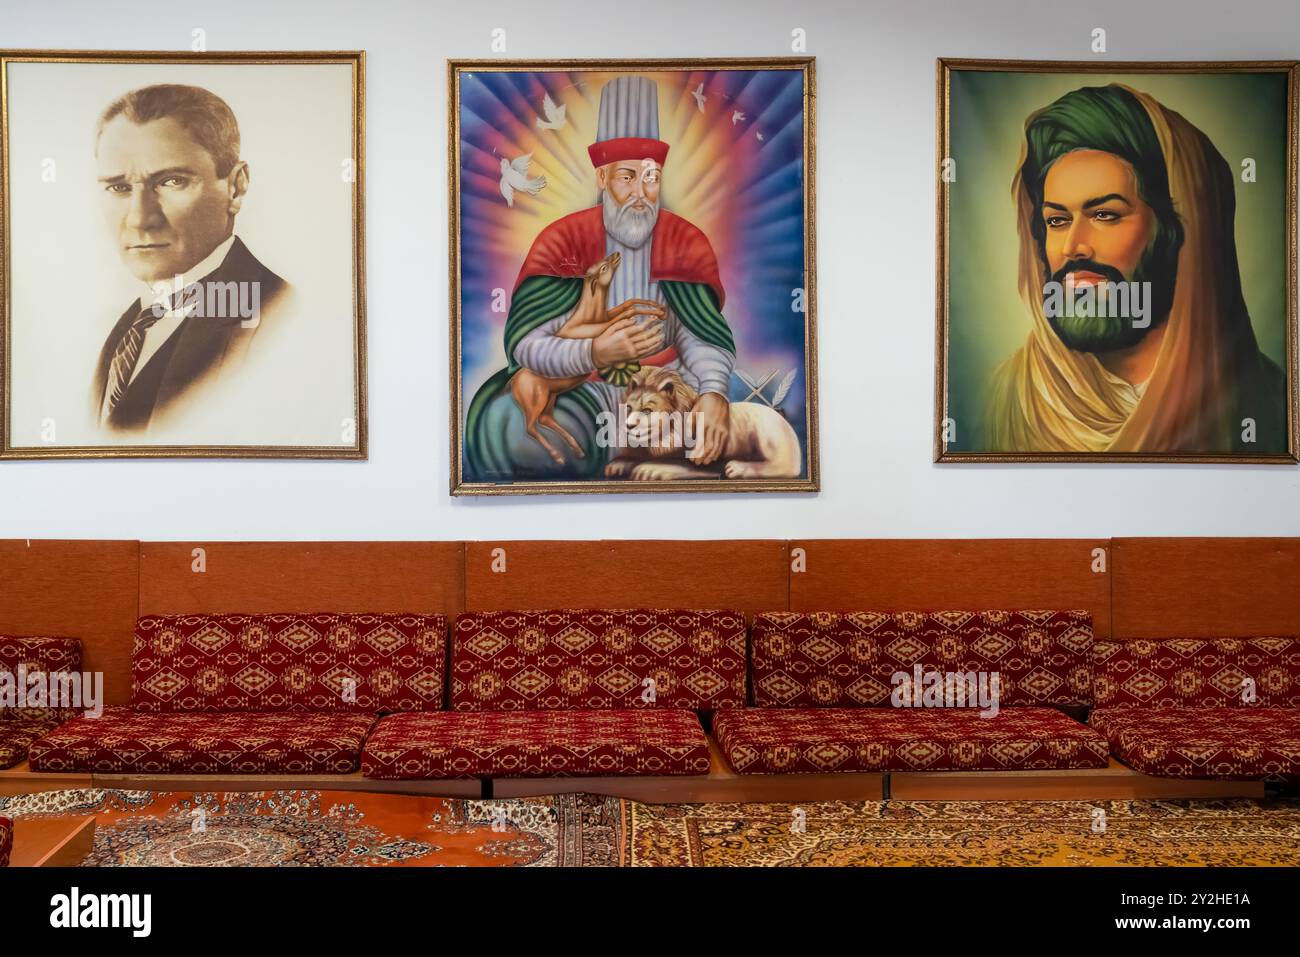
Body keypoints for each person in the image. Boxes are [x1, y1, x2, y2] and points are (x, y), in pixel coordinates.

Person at [985, 84, 1287, 454]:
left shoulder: (1268, 400)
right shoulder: (1008, 397)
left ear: (1178, 228)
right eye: (1057, 220)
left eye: (1105, 215)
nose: (1072, 247)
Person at [464, 75, 736, 481]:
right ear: (602, 179)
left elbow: (699, 334)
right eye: (628, 177)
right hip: (580, 389)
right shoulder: (564, 239)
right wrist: (592, 353)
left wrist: (713, 392)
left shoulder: (684, 239)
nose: (641, 192)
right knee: (507, 431)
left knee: (719, 437)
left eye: (651, 177)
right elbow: (526, 345)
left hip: (668, 390)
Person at [91, 83, 290, 433]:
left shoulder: (277, 319)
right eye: (119, 188)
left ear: (236, 187)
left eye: (171, 182)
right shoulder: (130, 327)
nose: (140, 218)